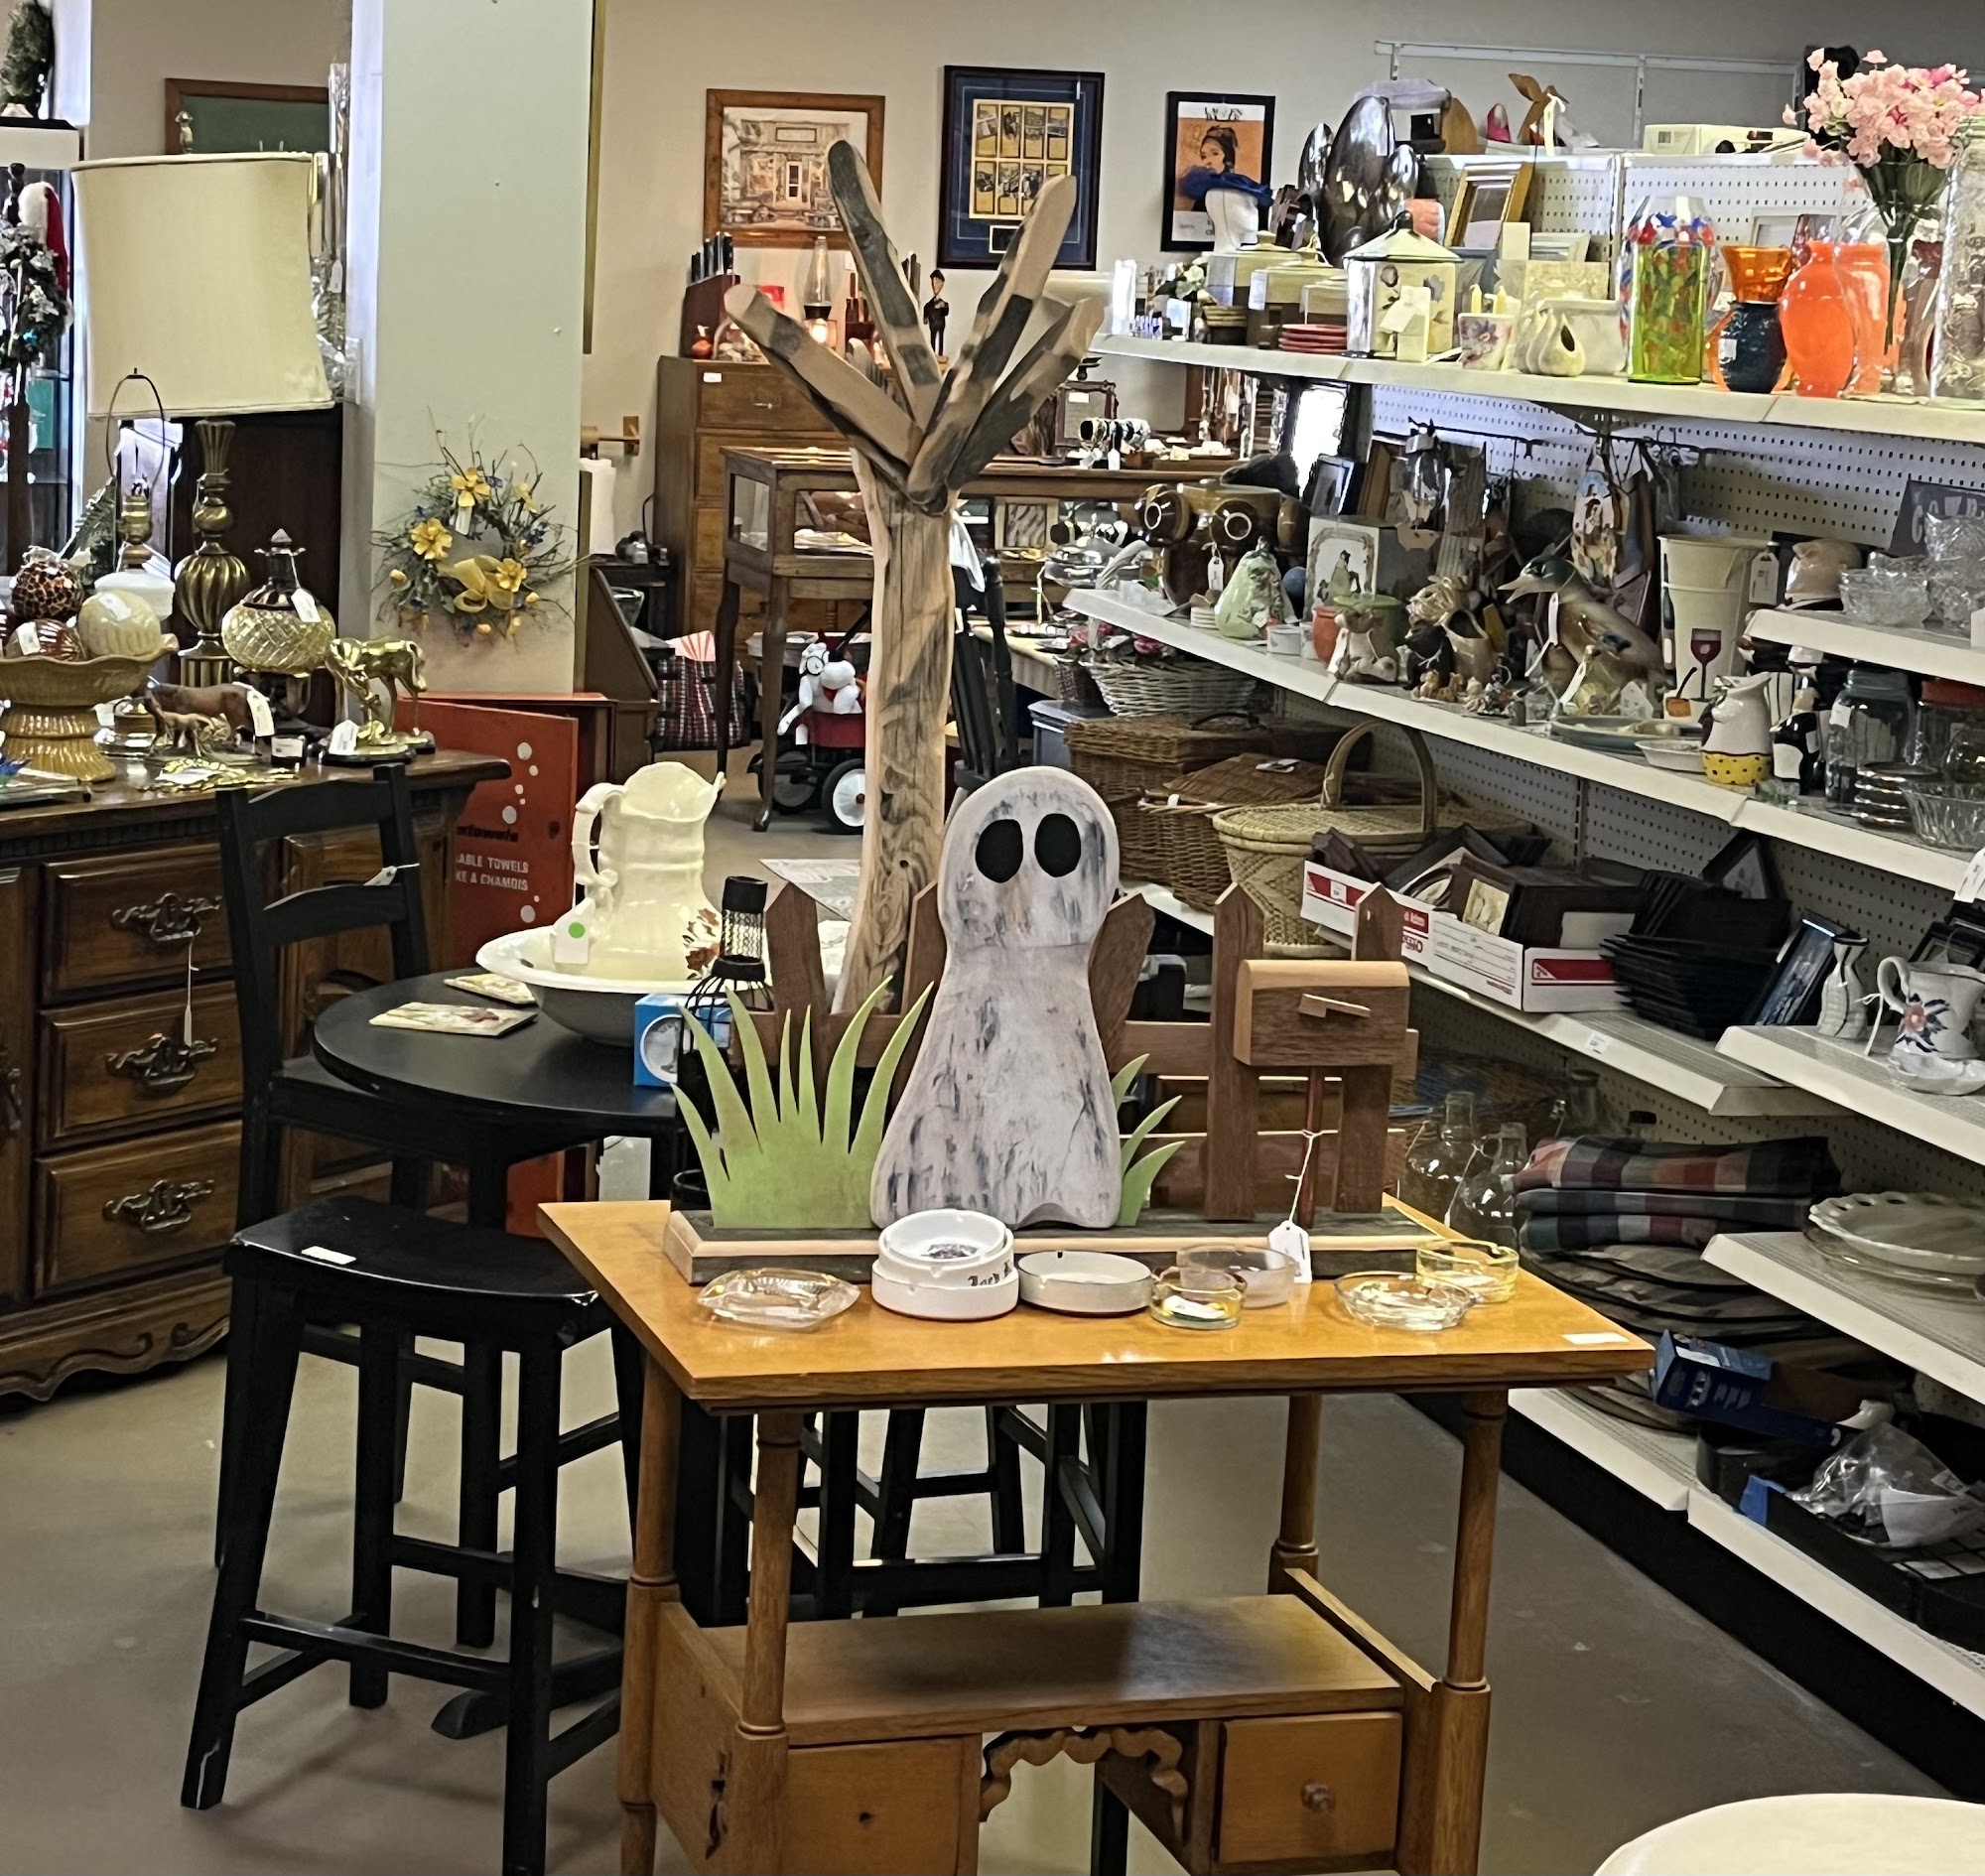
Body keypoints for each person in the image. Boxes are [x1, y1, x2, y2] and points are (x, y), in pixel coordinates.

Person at [1175, 124, 1271, 214]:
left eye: (1215, 153)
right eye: (1204, 156)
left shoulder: (1238, 188)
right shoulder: (1199, 187)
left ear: (1227, 157)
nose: (1207, 161)